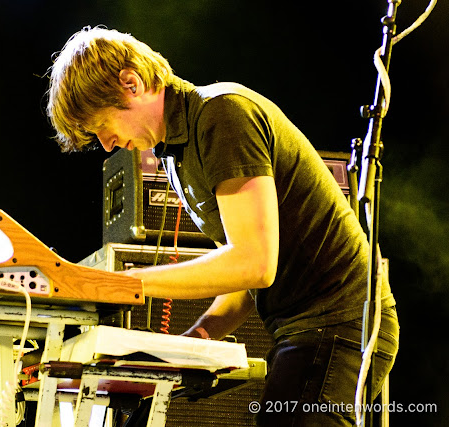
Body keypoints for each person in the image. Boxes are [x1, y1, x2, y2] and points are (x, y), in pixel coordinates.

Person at [46, 26, 399, 426]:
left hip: (340, 320)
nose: (106, 144)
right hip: (306, 327)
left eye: (102, 125)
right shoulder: (176, 152)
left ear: (132, 83)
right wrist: (200, 336)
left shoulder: (222, 115)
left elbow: (255, 264)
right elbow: (243, 269)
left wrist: (129, 283)